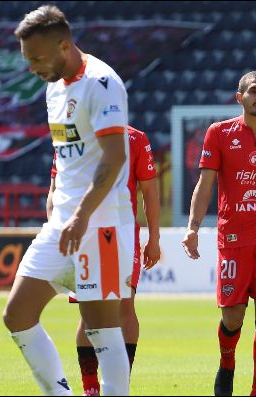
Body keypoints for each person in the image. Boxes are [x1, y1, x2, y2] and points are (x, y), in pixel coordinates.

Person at [3, 5, 134, 395]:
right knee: (17, 315)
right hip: (62, 220)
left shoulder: (102, 82)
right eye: (27, 60)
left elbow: (114, 157)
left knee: (102, 330)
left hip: (101, 222)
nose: (32, 68)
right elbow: (66, 153)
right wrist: (55, 199)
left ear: (64, 45)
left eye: (38, 58)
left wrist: (81, 214)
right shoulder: (53, 85)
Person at [181, 71, 256, 397]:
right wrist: (193, 227)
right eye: (253, 91)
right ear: (240, 97)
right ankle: (227, 363)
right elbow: (205, 184)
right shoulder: (219, 133)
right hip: (233, 239)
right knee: (233, 317)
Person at [49, 126, 161, 396]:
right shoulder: (69, 136)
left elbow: (149, 189)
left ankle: (120, 384)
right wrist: (55, 230)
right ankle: (91, 388)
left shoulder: (135, 138)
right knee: (90, 313)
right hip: (82, 236)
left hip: (121, 235)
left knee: (125, 307)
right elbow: (55, 189)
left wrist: (154, 238)